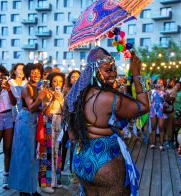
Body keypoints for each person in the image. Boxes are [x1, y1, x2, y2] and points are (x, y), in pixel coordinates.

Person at [65, 47, 149, 195]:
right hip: (106, 161)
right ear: (95, 71)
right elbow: (143, 106)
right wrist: (136, 75)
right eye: (108, 70)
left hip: (81, 160)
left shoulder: (76, 97)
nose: (114, 74)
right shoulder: (109, 98)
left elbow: (72, 136)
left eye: (114, 69)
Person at [8, 63, 44, 196]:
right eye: (33, 72)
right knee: (24, 156)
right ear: (28, 74)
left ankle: (31, 188)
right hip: (25, 122)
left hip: (33, 122)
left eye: (38, 72)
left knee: (33, 156)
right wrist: (41, 97)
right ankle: (23, 190)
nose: (36, 74)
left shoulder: (37, 87)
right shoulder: (26, 88)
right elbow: (31, 107)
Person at [39, 72, 65, 193]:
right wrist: (52, 99)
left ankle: (56, 180)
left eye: (60, 81)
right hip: (48, 121)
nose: (57, 83)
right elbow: (44, 110)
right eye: (55, 81)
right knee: (47, 152)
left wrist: (61, 100)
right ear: (50, 81)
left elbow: (64, 111)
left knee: (57, 151)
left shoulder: (62, 94)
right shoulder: (46, 92)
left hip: (59, 122)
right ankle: (45, 183)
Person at [150, 79, 167, 151]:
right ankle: (153, 143)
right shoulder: (152, 91)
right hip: (153, 109)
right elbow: (150, 100)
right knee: (153, 127)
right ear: (156, 83)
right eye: (158, 82)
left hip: (161, 110)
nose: (159, 84)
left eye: (161, 83)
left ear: (163, 84)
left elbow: (166, 101)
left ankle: (161, 144)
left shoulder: (164, 92)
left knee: (161, 127)